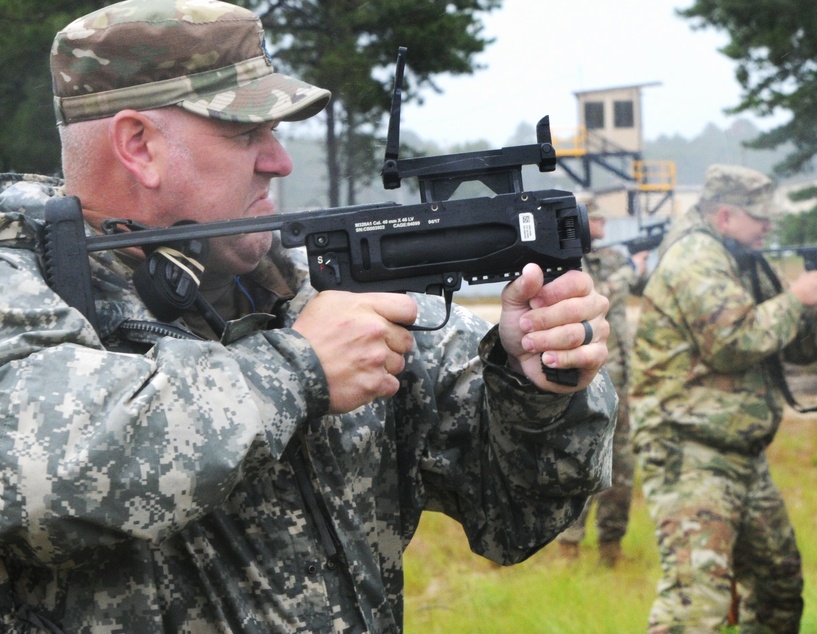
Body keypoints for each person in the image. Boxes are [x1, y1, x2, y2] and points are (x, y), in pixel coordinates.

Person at [0, 1, 617, 632]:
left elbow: (516, 514)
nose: (280, 161)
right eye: (247, 133)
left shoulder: (304, 292)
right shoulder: (21, 290)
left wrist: (536, 386)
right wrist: (297, 370)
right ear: (139, 146)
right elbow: (40, 477)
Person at [630, 164, 817, 632]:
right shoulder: (695, 257)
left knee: (777, 589)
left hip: (740, 454)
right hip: (688, 452)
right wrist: (796, 297)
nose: (770, 226)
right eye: (761, 217)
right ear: (726, 215)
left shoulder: (740, 256)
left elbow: (793, 342)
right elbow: (734, 344)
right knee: (695, 607)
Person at [557, 207, 649, 568]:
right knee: (585, 461)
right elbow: (598, 299)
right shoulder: (566, 263)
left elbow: (642, 285)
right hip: (589, 381)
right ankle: (570, 545)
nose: (603, 226)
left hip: (623, 379)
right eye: (597, 219)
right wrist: (630, 269)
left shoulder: (610, 257)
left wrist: (642, 262)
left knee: (623, 465)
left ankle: (612, 546)